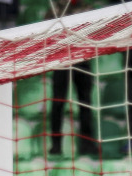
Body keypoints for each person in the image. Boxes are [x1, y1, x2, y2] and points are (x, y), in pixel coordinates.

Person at [49, 0, 99, 157]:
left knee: (85, 103)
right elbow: (47, 28)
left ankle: (87, 143)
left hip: (82, 58)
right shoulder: (56, 6)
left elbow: (94, 30)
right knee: (58, 103)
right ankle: (56, 144)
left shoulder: (87, 7)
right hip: (61, 60)